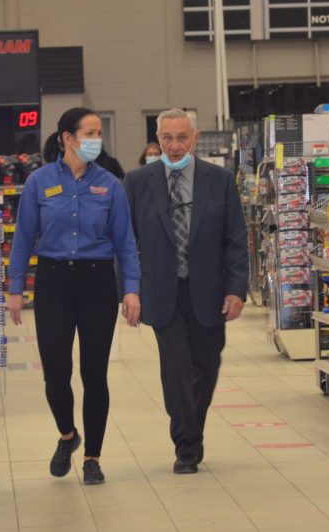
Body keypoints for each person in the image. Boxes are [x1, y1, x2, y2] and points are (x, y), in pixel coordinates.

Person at [7, 107, 141, 486]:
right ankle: (68, 434)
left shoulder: (110, 185)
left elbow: (125, 243)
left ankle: (93, 458)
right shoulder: (39, 182)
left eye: (100, 132)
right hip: (52, 282)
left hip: (97, 282)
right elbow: (22, 238)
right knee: (55, 372)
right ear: (67, 138)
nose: (97, 139)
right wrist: (15, 287)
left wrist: (131, 288)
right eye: (90, 132)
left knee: (94, 373)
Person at [123, 108, 248, 474]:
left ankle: (192, 429)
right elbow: (126, 242)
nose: (174, 146)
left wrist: (236, 288)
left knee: (206, 366)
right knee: (175, 368)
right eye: (167, 138)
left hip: (208, 291)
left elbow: (236, 239)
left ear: (194, 138)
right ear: (157, 139)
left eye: (181, 138)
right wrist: (129, 290)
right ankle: (186, 445)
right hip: (162, 291)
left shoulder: (220, 180)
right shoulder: (138, 181)